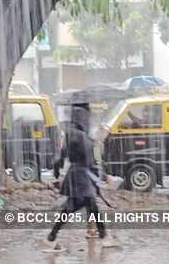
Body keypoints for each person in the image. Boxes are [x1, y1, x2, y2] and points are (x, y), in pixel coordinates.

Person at [46, 103, 116, 249]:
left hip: (75, 176)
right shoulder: (83, 136)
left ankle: (52, 236)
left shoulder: (70, 133)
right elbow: (90, 161)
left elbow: (60, 157)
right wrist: (103, 175)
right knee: (88, 207)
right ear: (83, 118)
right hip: (82, 178)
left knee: (79, 208)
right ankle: (103, 236)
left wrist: (56, 174)